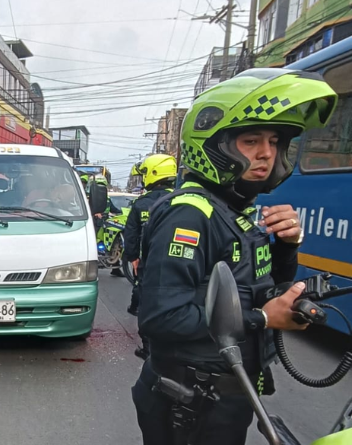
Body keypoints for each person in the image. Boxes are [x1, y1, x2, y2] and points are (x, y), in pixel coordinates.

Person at [131, 68, 337, 445]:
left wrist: (287, 248)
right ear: (215, 145)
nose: (266, 153)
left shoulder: (231, 212)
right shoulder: (190, 213)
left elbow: (260, 287)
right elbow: (161, 317)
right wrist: (260, 318)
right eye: (251, 140)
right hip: (190, 403)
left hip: (228, 393)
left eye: (274, 141)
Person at [122, 154, 177, 361]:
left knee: (146, 302)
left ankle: (147, 348)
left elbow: (131, 234)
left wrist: (133, 258)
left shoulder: (141, 204)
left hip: (149, 263)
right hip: (180, 263)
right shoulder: (184, 199)